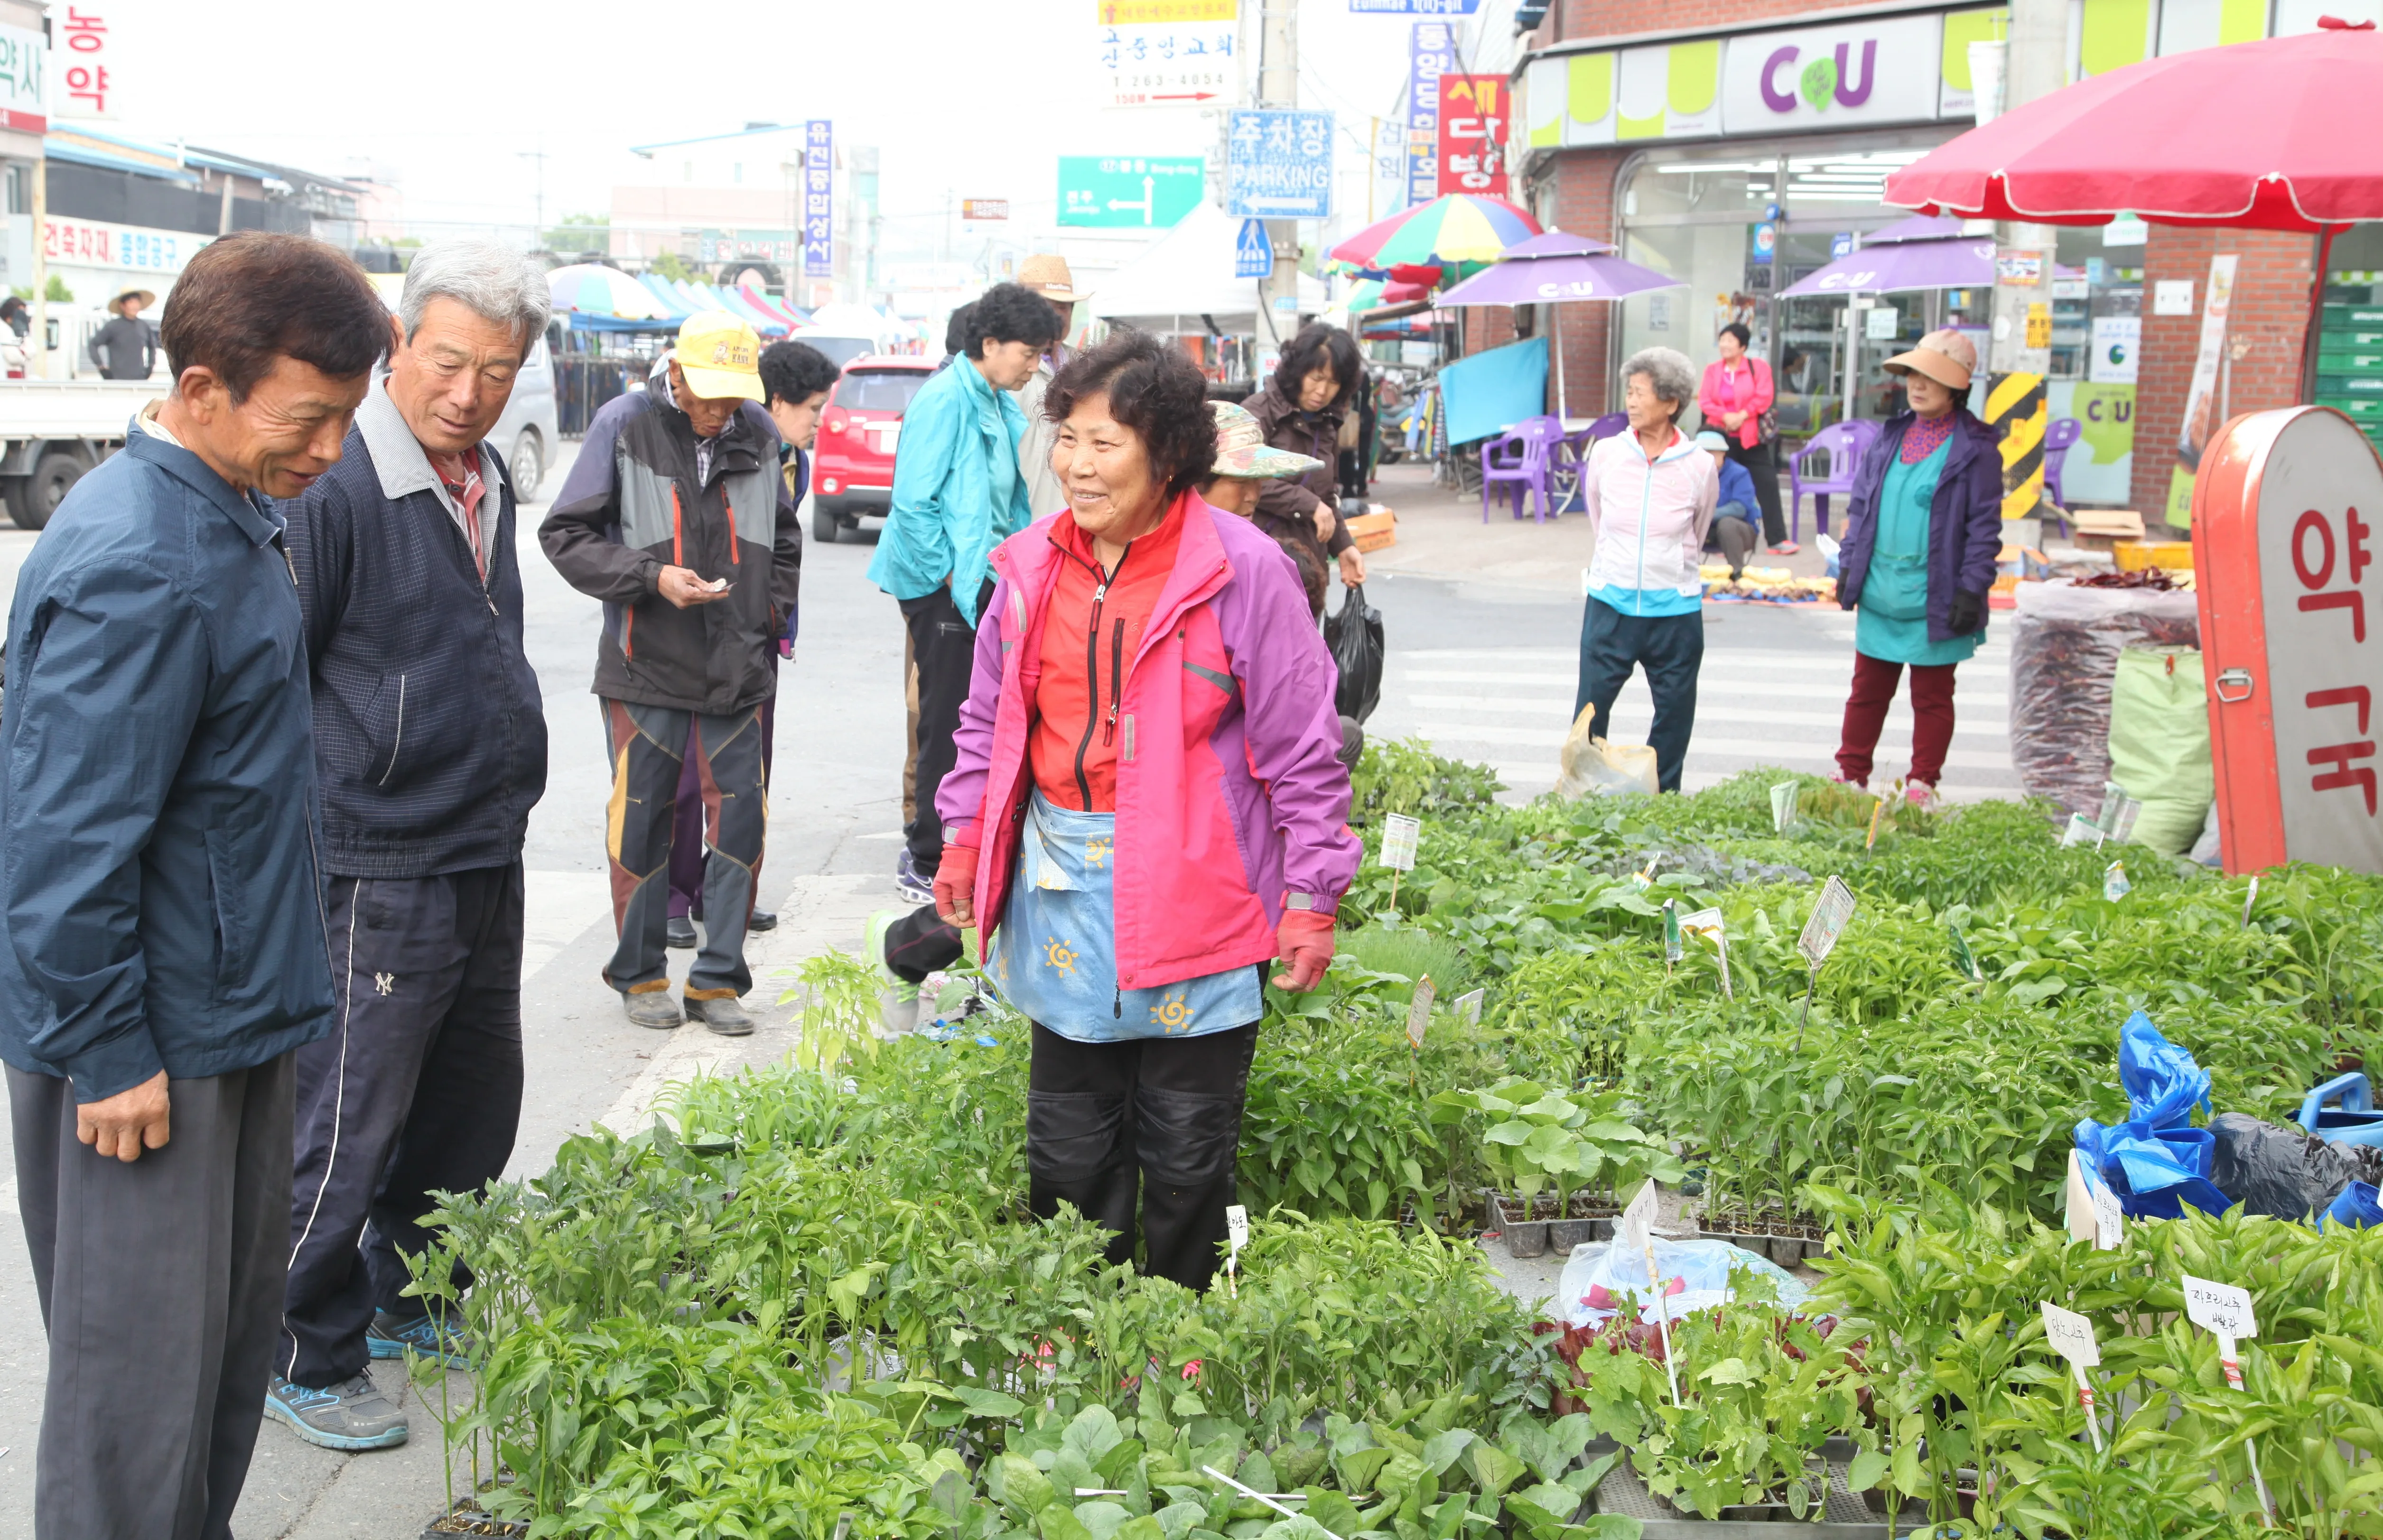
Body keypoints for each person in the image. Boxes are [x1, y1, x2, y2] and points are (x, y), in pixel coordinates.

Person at [0, 231, 385, 1538]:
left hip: (228, 1013)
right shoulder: (140, 557)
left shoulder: (230, 513)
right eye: (309, 417)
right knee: (135, 1409)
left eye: (345, 417)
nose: (330, 449)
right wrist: (108, 1047)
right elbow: (63, 843)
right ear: (203, 386)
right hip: (142, 1048)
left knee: (217, 1374)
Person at [932, 330, 1359, 1291]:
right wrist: (965, 837)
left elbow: (1303, 749)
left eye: (1104, 444)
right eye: (1068, 440)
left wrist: (1313, 893)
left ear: (1168, 454)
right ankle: (1072, 1331)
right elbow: (987, 721)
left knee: (1184, 1155)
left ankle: (1175, 1342)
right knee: (1070, 1150)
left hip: (1196, 887)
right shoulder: (1032, 567)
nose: (1077, 467)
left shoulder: (1244, 571)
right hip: (1063, 881)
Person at [269, 240, 554, 1451]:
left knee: (466, 1108)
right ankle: (299, 1342)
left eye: (496, 371)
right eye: (446, 362)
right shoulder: (337, 489)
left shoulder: (483, 468)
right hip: (376, 858)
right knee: (345, 1122)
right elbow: (280, 680)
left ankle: (414, 1298)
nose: (466, 392)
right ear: (399, 346)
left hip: (482, 845)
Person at [540, 311, 802, 1035]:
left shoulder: (758, 431)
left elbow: (784, 540)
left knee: (740, 823)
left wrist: (767, 617)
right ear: (675, 373)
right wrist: (650, 577)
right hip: (642, 662)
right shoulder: (624, 423)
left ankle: (718, 981)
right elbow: (565, 534)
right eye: (708, 393)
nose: (721, 411)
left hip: (737, 665)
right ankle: (640, 972)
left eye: (734, 396)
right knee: (641, 821)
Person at [868, 282, 1060, 918]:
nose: (1034, 367)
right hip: (944, 586)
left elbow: (998, 503)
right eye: (1028, 354)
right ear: (990, 345)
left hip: (978, 581)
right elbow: (915, 506)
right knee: (944, 724)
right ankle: (925, 858)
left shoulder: (991, 399)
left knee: (969, 720)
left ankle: (954, 846)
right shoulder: (946, 399)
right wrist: (947, 591)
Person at [661, 340, 838, 950]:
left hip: (754, 637)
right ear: (779, 401)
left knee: (748, 772)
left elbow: (785, 544)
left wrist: (774, 615)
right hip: (692, 628)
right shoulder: (696, 442)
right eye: (812, 409)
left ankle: (725, 891)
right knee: (687, 773)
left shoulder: (786, 458)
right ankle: (674, 896)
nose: (818, 423)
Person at [1830, 330, 2001, 807]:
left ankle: (1923, 783)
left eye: (1932, 378)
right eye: (1914, 375)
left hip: (1938, 591)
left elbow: (1984, 528)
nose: (1918, 386)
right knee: (1866, 690)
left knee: (1932, 696)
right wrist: (1849, 566)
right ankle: (1850, 774)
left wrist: (1973, 588)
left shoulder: (1977, 451)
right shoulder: (1890, 437)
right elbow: (1861, 507)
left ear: (1957, 389)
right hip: (1882, 587)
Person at [1574, 346, 1718, 794]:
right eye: (1629, 392)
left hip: (1674, 612)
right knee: (1591, 712)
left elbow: (1699, 528)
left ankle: (1664, 798)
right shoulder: (1608, 455)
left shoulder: (1698, 465)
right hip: (1611, 604)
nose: (1631, 402)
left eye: (1641, 393)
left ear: (1671, 403)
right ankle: (1585, 792)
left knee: (1675, 712)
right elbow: (1599, 520)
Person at [1243, 322, 1367, 620]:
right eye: (1317, 378)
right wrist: (1308, 505)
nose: (1322, 391)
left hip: (1310, 569)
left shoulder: (1327, 424)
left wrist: (1345, 546)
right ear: (1298, 370)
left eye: (1334, 383)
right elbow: (1242, 478)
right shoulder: (1258, 413)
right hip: (1261, 560)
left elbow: (1327, 496)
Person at [1696, 323, 1793, 553]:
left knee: (1767, 482)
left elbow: (1764, 396)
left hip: (1751, 437)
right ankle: (1713, 540)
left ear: (1743, 346)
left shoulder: (1758, 367)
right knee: (1715, 484)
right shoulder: (1712, 370)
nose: (1725, 345)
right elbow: (1705, 401)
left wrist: (1742, 415)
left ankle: (1777, 539)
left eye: (1730, 340)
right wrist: (1726, 416)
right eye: (1722, 340)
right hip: (1720, 440)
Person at [1013, 254, 1080, 519]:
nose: (1057, 316)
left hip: (1073, 521)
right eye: (1047, 306)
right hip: (1018, 522)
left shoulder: (1085, 367)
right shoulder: (1008, 371)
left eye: (1063, 307)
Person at [1696, 428, 1762, 580]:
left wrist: (1705, 515)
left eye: (1712, 453)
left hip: (1740, 532)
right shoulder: (1691, 474)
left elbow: (1740, 508)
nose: (1707, 459)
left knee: (1727, 524)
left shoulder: (1739, 473)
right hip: (1705, 531)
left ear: (1723, 453)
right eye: (1702, 454)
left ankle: (1738, 574)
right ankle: (1686, 573)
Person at [88, 286, 159, 381]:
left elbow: (152, 347)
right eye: (131, 302)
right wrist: (101, 368)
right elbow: (93, 344)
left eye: (137, 302)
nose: (135, 305)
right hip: (116, 380)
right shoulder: (113, 326)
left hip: (139, 380)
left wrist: (150, 367)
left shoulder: (144, 326)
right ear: (122, 306)